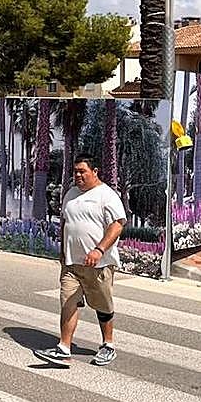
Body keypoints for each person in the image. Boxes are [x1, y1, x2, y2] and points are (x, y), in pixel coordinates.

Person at [33, 156, 126, 368]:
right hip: (71, 264)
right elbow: (65, 223)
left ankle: (108, 345)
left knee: (102, 305)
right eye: (75, 171)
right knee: (68, 302)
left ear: (95, 171)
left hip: (99, 265)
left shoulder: (106, 195)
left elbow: (117, 226)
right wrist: (62, 252)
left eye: (82, 171)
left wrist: (99, 250)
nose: (77, 175)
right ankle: (64, 349)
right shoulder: (71, 194)